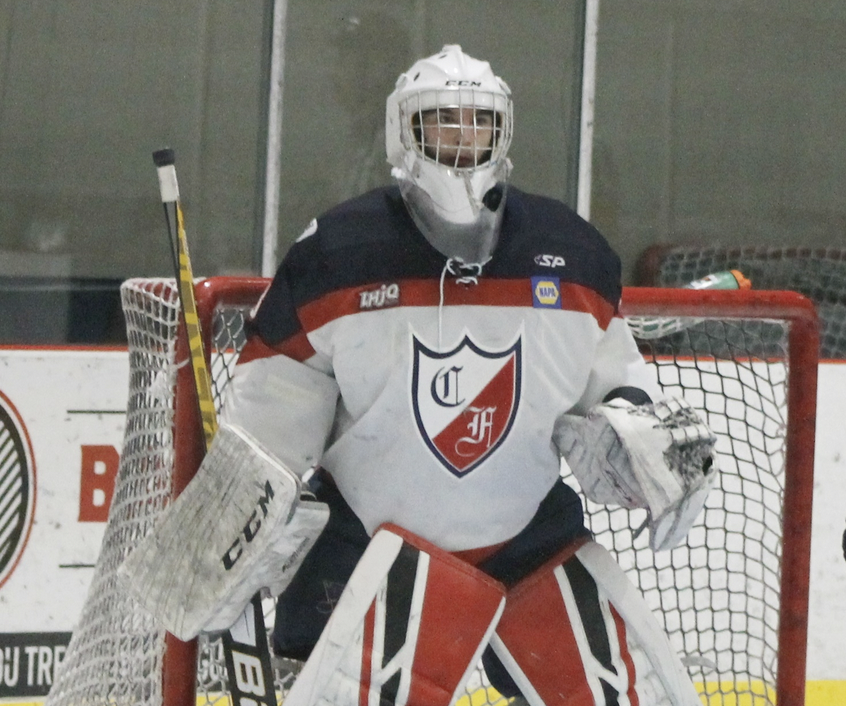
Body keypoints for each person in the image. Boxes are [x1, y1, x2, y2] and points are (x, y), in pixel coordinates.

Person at [135, 45, 716, 705]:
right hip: (373, 541)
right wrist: (241, 508)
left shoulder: (571, 250)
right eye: (443, 120)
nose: (463, 137)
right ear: (402, 129)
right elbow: (275, 404)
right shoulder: (337, 251)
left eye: (480, 121)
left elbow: (616, 379)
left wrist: (640, 435)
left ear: (504, 131)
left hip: (529, 537)